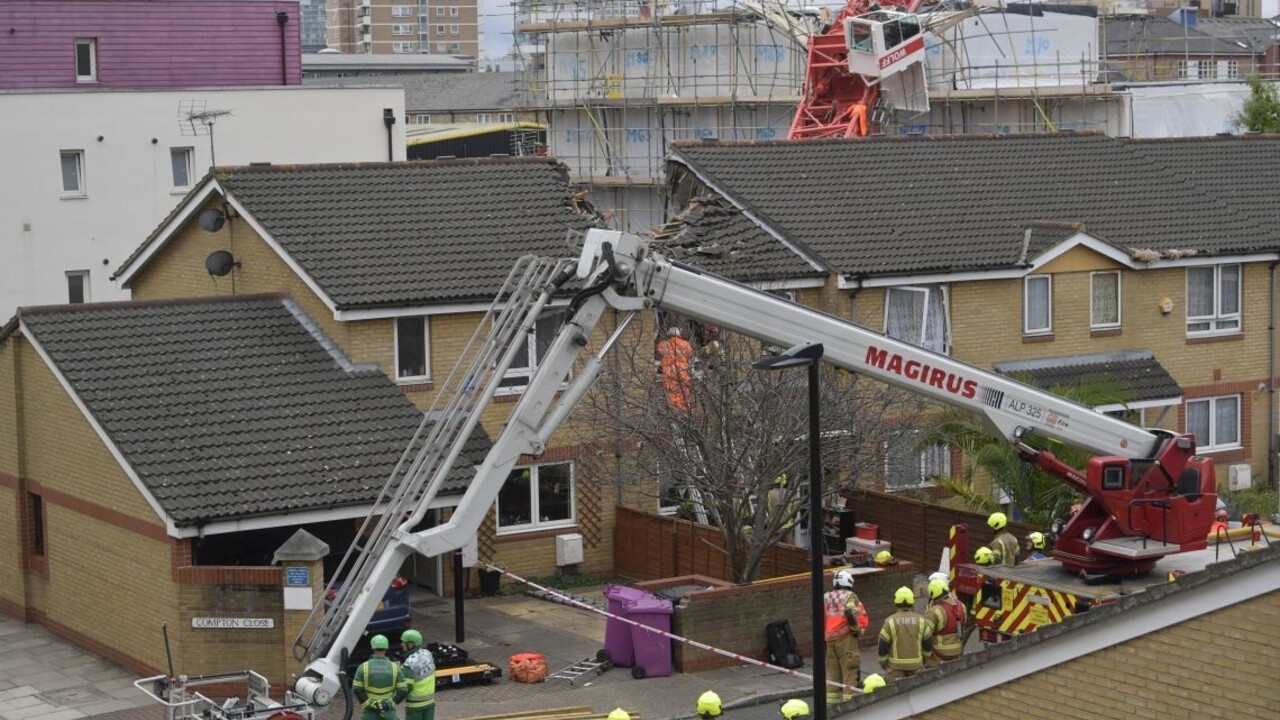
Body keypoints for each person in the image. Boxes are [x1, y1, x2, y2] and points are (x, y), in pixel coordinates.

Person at [823, 569, 867, 703]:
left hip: (830, 640)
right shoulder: (850, 596)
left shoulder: (826, 596)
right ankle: (849, 708)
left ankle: (831, 709)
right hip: (846, 639)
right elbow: (850, 613)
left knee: (833, 676)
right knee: (849, 673)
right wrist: (856, 630)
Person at [877, 587, 933, 680]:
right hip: (916, 666)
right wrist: (924, 659)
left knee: (897, 693)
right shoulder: (921, 620)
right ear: (912, 601)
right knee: (917, 692)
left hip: (895, 668)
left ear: (896, 602)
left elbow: (883, 645)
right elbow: (928, 642)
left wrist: (883, 663)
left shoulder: (890, 621)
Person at [352, 634, 407, 720]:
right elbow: (403, 691)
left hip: (369, 714)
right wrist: (389, 704)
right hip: (389, 714)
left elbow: (356, 689)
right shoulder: (395, 667)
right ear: (386, 648)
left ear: (373, 648)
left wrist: (370, 703)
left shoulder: (363, 667)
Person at [923, 577, 966, 665]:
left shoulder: (934, 611)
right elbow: (964, 624)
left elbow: (925, 634)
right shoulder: (961, 605)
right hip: (957, 649)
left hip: (939, 652)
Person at [399, 629, 437, 720]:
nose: (401, 645)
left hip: (415, 706)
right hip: (430, 702)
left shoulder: (409, 664)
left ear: (411, 644)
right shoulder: (427, 654)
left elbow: (406, 688)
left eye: (403, 643)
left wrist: (392, 702)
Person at [656, 327, 695, 413]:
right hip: (683, 374)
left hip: (669, 375)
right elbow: (690, 354)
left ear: (669, 335)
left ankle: (675, 416)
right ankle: (685, 415)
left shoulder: (663, 344)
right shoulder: (686, 344)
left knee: (672, 397)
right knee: (684, 396)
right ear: (679, 335)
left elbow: (659, 350)